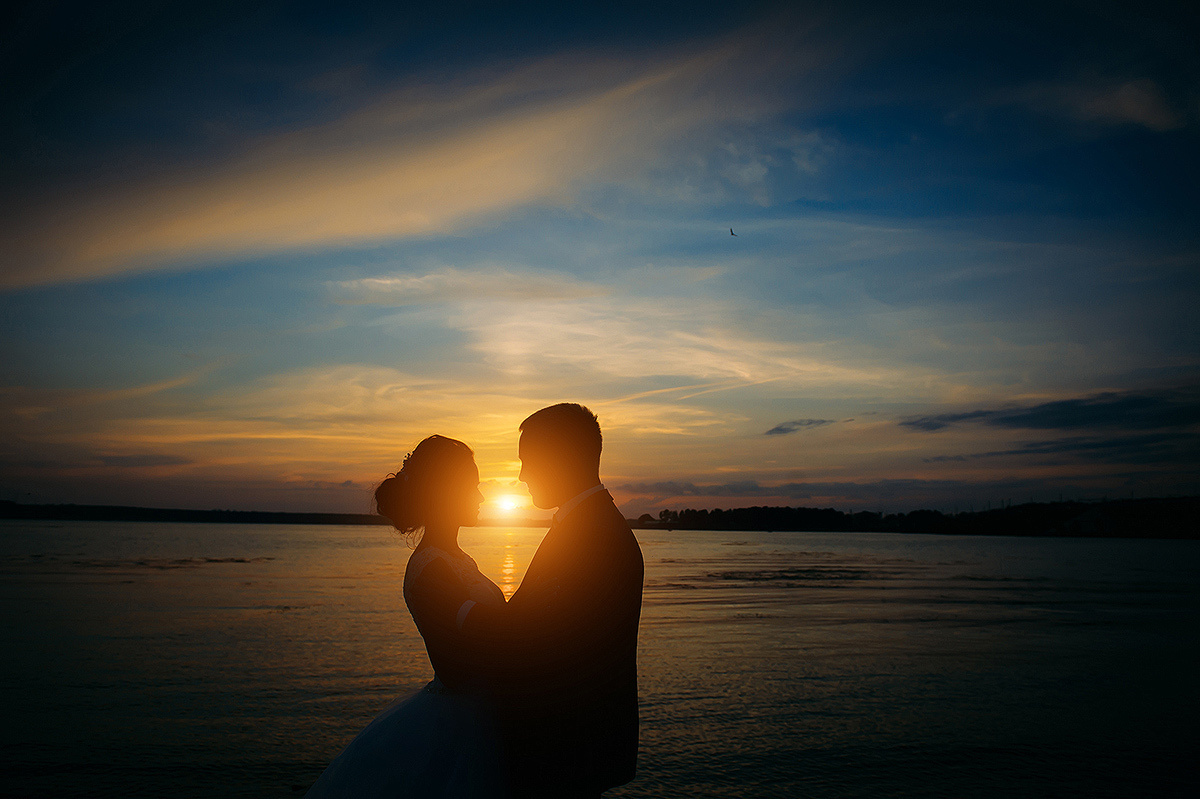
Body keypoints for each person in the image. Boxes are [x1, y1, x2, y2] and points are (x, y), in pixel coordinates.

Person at [455, 403, 645, 798]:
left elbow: (537, 637)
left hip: (567, 749)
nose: (522, 475)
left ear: (561, 459)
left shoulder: (593, 534)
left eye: (529, 461)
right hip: (572, 747)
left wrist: (458, 609)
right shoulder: (587, 524)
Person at [305, 435, 507, 799]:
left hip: (479, 715)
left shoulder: (457, 559)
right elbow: (455, 668)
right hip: (460, 726)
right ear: (446, 493)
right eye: (472, 486)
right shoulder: (432, 568)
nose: (480, 497)